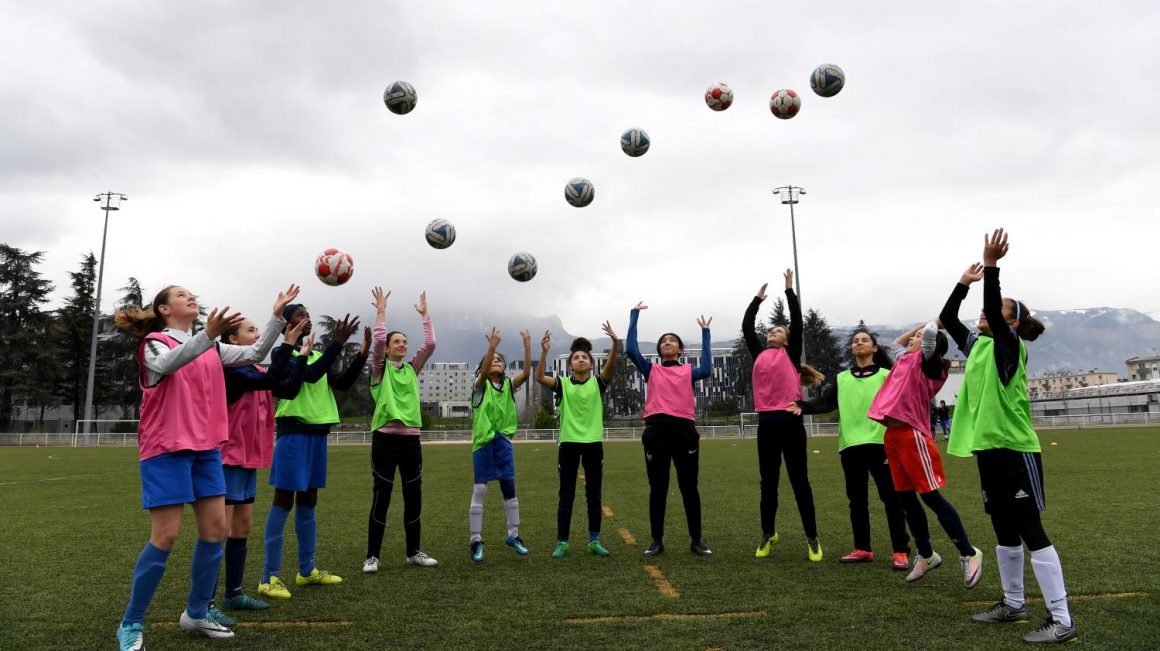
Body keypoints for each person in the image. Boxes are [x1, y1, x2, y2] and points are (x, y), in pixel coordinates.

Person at [114, 283, 298, 650]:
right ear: (164, 309)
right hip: (165, 450)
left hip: (207, 449)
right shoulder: (154, 343)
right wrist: (208, 335)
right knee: (165, 536)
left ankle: (197, 612)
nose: (190, 298)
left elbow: (257, 351)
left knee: (216, 530)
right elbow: (169, 363)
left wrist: (276, 316)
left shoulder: (211, 345)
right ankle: (131, 623)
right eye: (181, 295)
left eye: (191, 294)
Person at [941, 228, 1077, 644]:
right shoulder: (978, 345)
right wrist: (964, 283)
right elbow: (949, 319)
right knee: (1002, 529)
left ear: (1012, 322)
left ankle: (1062, 619)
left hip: (1016, 450)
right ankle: (1013, 604)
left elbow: (995, 319)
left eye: (996, 312)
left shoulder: (1007, 344)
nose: (985, 316)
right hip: (989, 450)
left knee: (1031, 530)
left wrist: (993, 266)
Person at [258, 307, 370, 600]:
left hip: (318, 435)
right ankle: (268, 576)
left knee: (309, 499)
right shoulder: (284, 356)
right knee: (284, 500)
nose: (305, 319)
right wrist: (338, 344)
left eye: (307, 314)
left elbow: (342, 382)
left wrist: (360, 356)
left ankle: (306, 571)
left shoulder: (318, 354)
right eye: (298, 316)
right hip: (293, 433)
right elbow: (308, 376)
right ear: (285, 325)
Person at [867, 321, 983, 588]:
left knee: (931, 497)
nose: (913, 339)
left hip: (913, 435)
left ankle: (969, 552)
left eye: (918, 337)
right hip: (893, 436)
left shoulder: (928, 363)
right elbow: (898, 341)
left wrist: (935, 322)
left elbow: (930, 335)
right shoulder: (905, 359)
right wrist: (917, 332)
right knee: (905, 499)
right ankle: (927, 555)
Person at [791, 329, 912, 570]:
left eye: (864, 340)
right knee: (856, 501)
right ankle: (863, 548)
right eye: (855, 340)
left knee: (892, 500)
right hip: (850, 445)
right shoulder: (842, 378)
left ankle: (900, 551)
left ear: (875, 348)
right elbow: (825, 402)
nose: (859, 343)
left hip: (882, 443)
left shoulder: (888, 375)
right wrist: (801, 406)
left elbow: (903, 402)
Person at [215, 316, 310, 617]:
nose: (257, 334)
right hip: (228, 457)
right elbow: (269, 381)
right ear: (232, 341)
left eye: (258, 329)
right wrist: (287, 345)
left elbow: (289, 389)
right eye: (251, 330)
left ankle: (233, 594)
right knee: (218, 531)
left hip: (249, 460)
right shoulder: (233, 370)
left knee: (241, 528)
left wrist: (301, 359)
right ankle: (205, 602)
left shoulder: (255, 370)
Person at [742, 272, 826, 561]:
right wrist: (757, 301)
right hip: (766, 424)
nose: (772, 333)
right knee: (769, 482)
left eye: (778, 331)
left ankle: (812, 538)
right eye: (771, 331)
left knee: (799, 481)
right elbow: (747, 327)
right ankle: (768, 533)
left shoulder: (790, 357)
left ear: (788, 341)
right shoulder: (759, 354)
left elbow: (798, 322)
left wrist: (789, 291)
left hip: (791, 423)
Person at [626, 301, 714, 557]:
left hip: (684, 432)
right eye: (663, 340)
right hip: (656, 432)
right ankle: (656, 541)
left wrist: (706, 334)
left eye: (672, 340)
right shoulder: (650, 369)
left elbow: (708, 368)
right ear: (659, 349)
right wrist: (634, 315)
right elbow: (631, 349)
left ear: (679, 349)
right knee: (658, 488)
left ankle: (696, 540)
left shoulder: (689, 371)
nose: (667, 342)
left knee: (689, 487)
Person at [364, 288, 438, 573]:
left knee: (413, 496)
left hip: (411, 441)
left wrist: (425, 315)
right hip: (384, 440)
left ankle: (413, 552)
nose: (403, 344)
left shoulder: (411, 369)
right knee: (382, 496)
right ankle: (373, 556)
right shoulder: (379, 370)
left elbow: (430, 344)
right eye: (398, 341)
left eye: (405, 341)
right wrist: (381, 310)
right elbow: (379, 341)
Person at [534, 324, 619, 558]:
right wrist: (543, 352)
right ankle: (562, 542)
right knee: (566, 494)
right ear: (570, 364)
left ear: (591, 364)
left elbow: (611, 364)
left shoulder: (597, 383)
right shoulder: (562, 384)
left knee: (594, 495)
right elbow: (539, 376)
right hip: (569, 445)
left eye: (584, 357)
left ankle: (594, 540)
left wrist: (615, 343)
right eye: (576, 358)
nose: (580, 360)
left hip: (593, 444)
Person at [468, 327, 532, 562]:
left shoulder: (507, 386)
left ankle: (513, 535)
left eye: (499, 360)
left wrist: (527, 344)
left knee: (509, 488)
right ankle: (475, 540)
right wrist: (491, 347)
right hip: (483, 443)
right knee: (481, 490)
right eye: (491, 360)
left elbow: (526, 373)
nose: (496, 361)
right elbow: (484, 373)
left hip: (503, 442)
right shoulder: (480, 386)